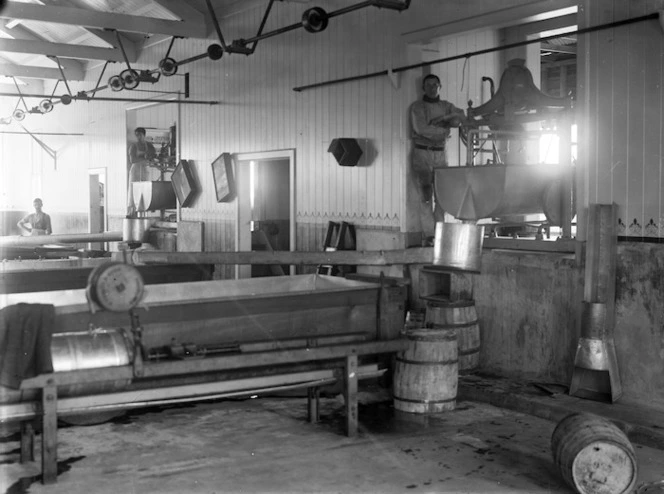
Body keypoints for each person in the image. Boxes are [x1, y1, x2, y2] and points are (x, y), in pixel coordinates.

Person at [409, 73, 466, 244]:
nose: (432, 88)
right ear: (423, 88)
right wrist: (444, 129)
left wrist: (443, 121)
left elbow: (460, 117)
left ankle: (440, 234)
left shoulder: (447, 106)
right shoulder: (417, 107)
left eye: (435, 85)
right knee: (425, 196)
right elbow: (421, 129)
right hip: (422, 154)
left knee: (441, 195)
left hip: (441, 154)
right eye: (428, 85)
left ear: (440, 87)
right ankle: (429, 236)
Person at [127, 127, 157, 216]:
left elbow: (153, 156)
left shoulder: (150, 146)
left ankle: (144, 212)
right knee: (133, 190)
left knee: (146, 189)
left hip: (145, 169)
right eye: (136, 135)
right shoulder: (133, 146)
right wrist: (145, 157)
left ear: (144, 135)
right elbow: (133, 160)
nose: (138, 137)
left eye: (139, 135)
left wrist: (146, 158)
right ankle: (131, 212)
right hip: (135, 170)